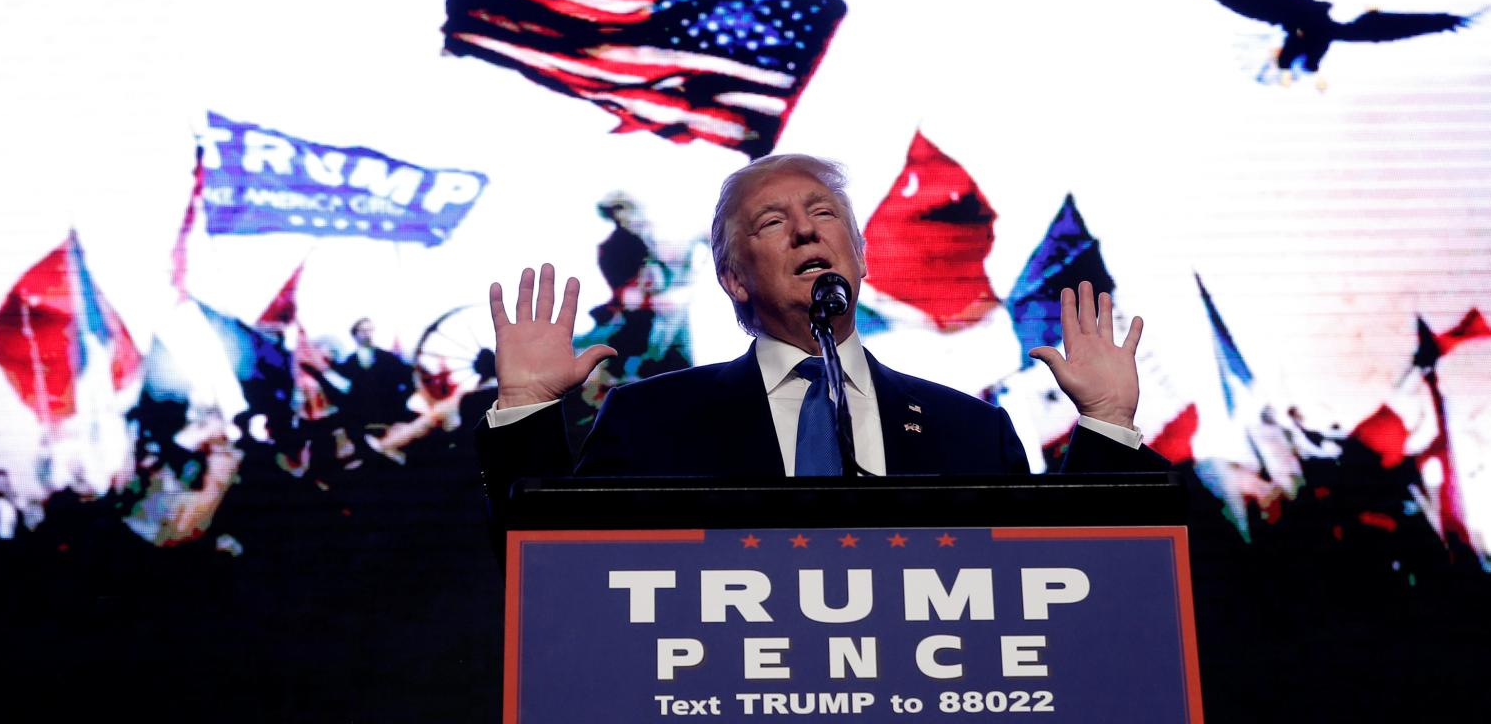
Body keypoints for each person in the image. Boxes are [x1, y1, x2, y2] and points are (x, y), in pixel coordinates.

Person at [476, 154, 1165, 504]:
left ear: (861, 259)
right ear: (734, 279)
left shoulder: (970, 431)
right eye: (772, 222)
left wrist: (1105, 424)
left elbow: (1067, 573)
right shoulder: (652, 419)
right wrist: (529, 412)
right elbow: (550, 571)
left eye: (823, 213)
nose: (806, 227)